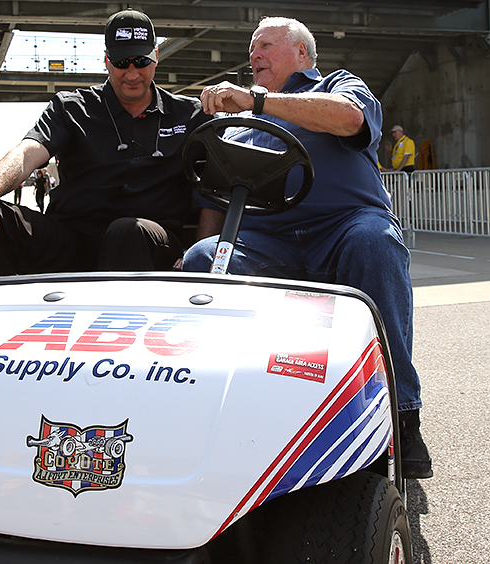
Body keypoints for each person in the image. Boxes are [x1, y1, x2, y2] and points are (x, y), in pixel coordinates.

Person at [183, 17, 432, 479]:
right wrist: (203, 247)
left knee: (373, 242)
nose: (254, 55)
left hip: (343, 226)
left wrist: (258, 100)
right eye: (252, 48)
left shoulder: (337, 85)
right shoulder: (239, 122)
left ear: (301, 54)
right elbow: (216, 200)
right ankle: (226, 410)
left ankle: (401, 414)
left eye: (266, 46)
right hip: (267, 242)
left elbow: (351, 119)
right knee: (203, 259)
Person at [0, 9, 210, 276]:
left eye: (141, 61)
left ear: (156, 57)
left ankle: (116, 315)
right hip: (73, 239)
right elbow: (27, 153)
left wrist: (199, 259)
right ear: (107, 61)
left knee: (125, 231)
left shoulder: (191, 115)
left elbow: (214, 192)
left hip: (147, 242)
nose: (132, 73)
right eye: (123, 63)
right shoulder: (71, 108)